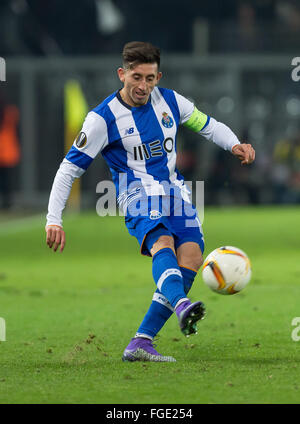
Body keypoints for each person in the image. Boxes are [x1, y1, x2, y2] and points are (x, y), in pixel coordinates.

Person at [45, 41, 255, 362]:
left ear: (159, 76)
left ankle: (141, 342)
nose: (143, 85)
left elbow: (208, 125)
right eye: (136, 77)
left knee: (192, 258)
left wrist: (235, 144)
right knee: (163, 243)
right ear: (122, 74)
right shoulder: (102, 119)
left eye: (150, 78)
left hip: (176, 193)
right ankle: (182, 305)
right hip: (137, 194)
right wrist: (53, 219)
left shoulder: (170, 101)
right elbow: (69, 168)